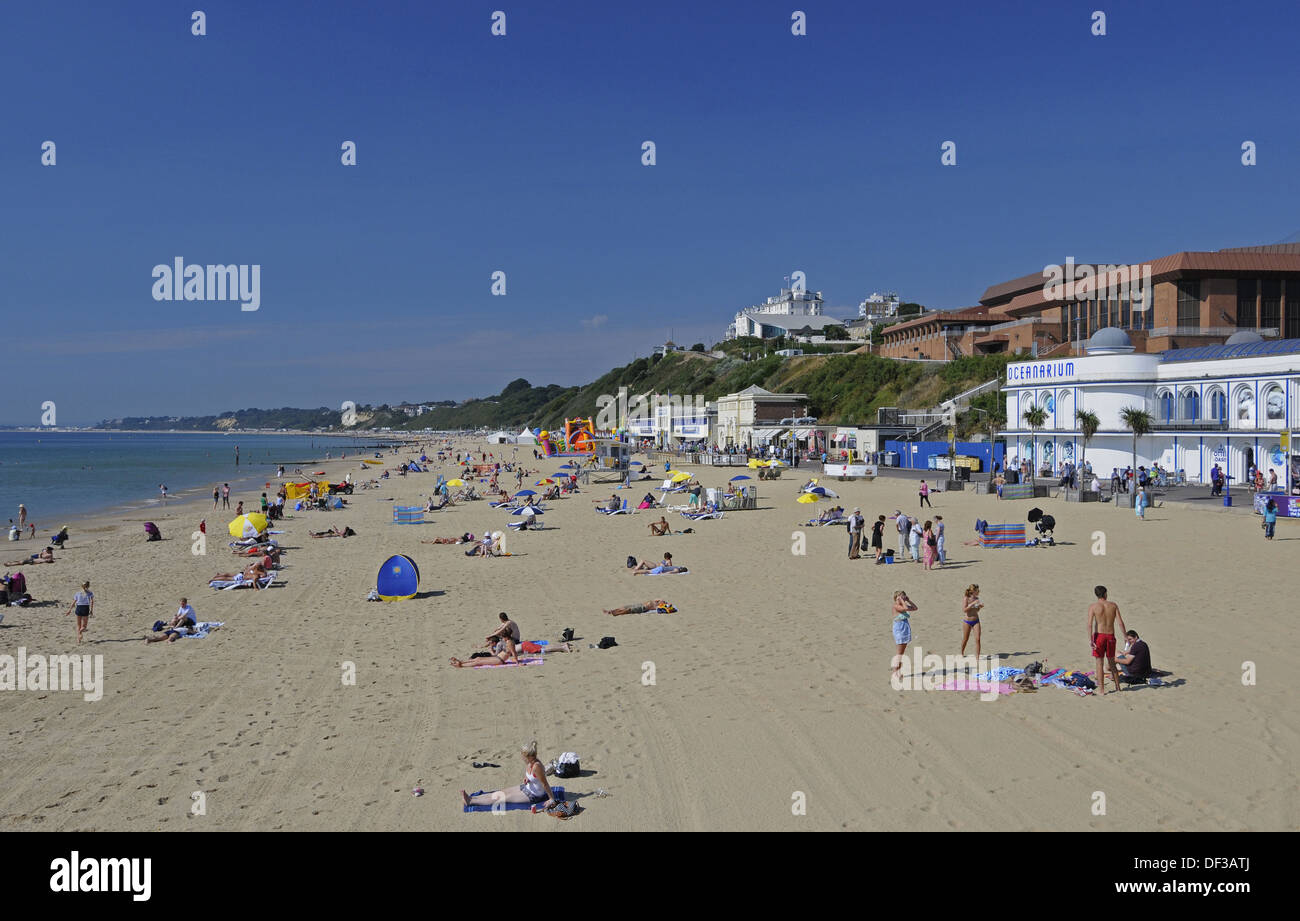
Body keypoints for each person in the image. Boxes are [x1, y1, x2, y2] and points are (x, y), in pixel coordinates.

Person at [461, 741, 557, 810]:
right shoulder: (530, 762)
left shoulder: (537, 767)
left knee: (502, 797)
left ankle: (470, 801)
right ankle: (472, 798)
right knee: (501, 792)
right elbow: (533, 777)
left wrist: (551, 799)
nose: (522, 758)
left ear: (529, 756)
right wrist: (527, 778)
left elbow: (545, 784)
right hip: (527, 787)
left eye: (523, 756)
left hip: (534, 795)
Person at [1087, 585, 1127, 695]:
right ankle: (1118, 687)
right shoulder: (1113, 605)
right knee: (1112, 662)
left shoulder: (1093, 607)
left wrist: (1090, 639)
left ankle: (1101, 690)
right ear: (1105, 594)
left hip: (1099, 636)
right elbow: (1120, 622)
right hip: (1110, 636)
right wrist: (1125, 636)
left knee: (1099, 663)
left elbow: (1090, 625)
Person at [890, 590, 918, 678]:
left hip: (904, 628)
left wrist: (908, 600)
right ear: (896, 598)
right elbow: (905, 609)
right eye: (901, 597)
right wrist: (902, 601)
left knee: (901, 653)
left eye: (904, 597)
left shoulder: (902, 604)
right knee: (899, 653)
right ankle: (895, 672)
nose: (903, 599)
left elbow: (915, 608)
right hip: (899, 629)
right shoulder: (896, 606)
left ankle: (898, 671)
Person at [960, 584, 983, 659]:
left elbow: (977, 610)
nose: (979, 592)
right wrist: (972, 604)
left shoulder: (977, 598)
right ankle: (962, 653)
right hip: (967, 621)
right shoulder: (966, 598)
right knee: (965, 639)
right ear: (973, 591)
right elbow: (964, 610)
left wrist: (979, 607)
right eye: (977, 591)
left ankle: (977, 658)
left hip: (976, 620)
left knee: (978, 639)